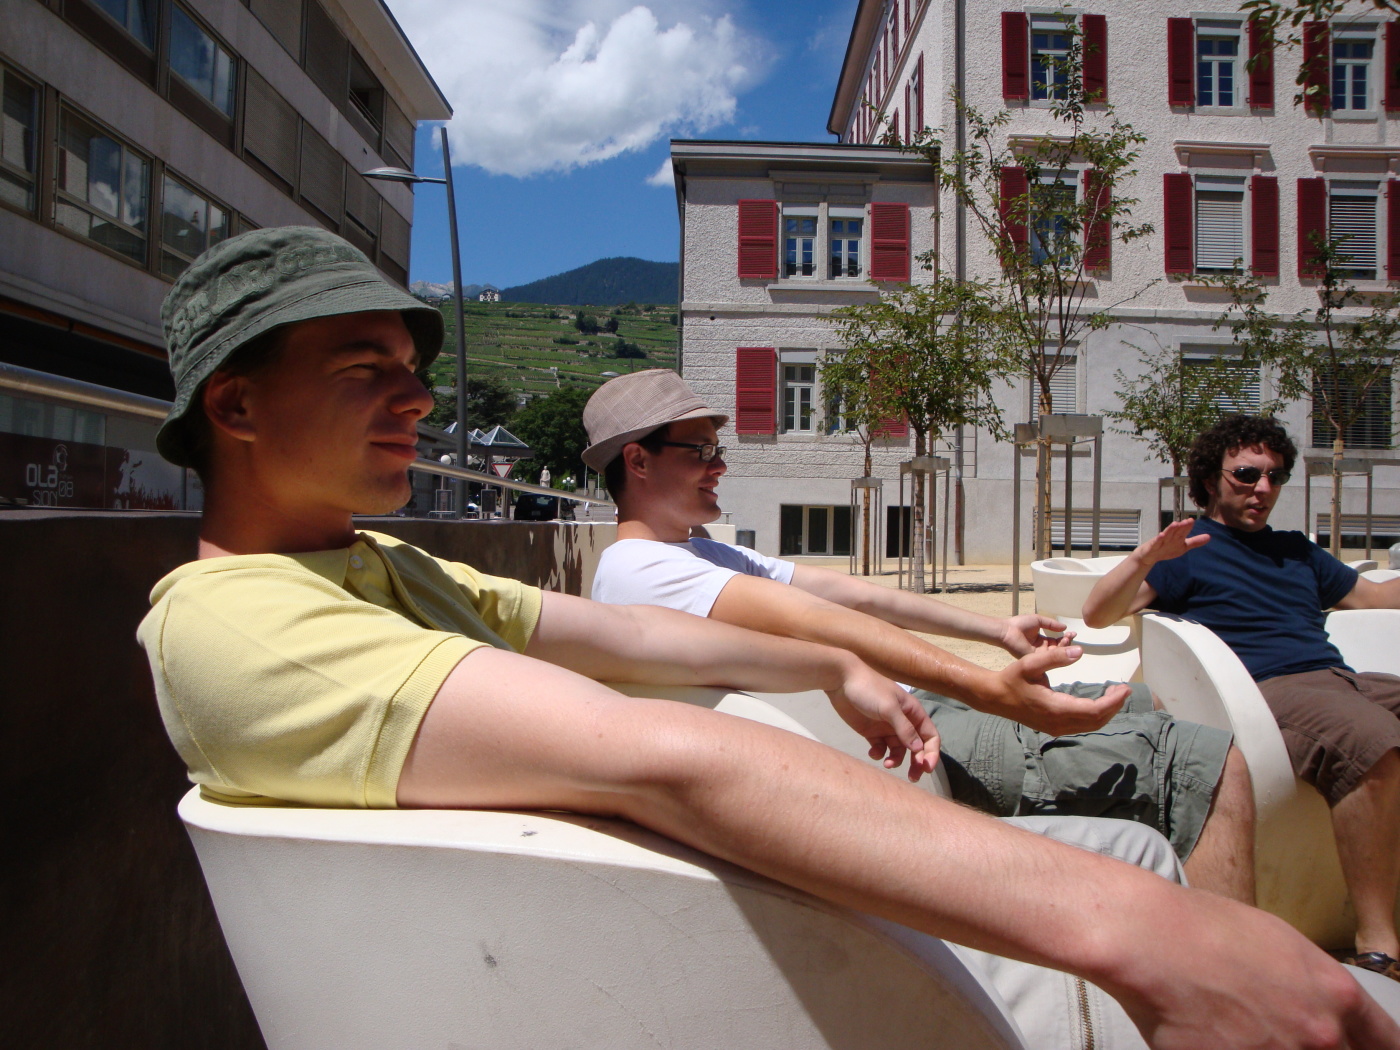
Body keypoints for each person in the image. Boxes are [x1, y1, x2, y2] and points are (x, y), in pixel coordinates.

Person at [135, 227, 1396, 1049]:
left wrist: (852, 664)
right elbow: (663, 754)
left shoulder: (379, 567)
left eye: (411, 365)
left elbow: (645, 639)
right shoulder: (237, 622)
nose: (416, 393)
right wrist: (1146, 932)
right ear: (235, 406)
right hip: (722, 969)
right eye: (364, 366)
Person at [582, 370, 1254, 902]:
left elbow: (852, 594)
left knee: (1146, 704)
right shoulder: (642, 568)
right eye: (699, 451)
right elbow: (824, 624)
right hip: (916, 748)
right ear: (637, 461)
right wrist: (989, 690)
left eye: (718, 450)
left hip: (922, 718)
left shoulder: (697, 552)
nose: (719, 465)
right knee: (1213, 766)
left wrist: (995, 629)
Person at [1085, 413, 1400, 981]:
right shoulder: (1190, 551)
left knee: (1365, 722)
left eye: (1275, 476)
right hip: (1268, 689)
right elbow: (1098, 614)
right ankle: (1378, 944)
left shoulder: (1296, 550)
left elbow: (1375, 597)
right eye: (1247, 474)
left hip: (1340, 678)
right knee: (1370, 741)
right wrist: (1144, 558)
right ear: (1211, 479)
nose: (1263, 488)